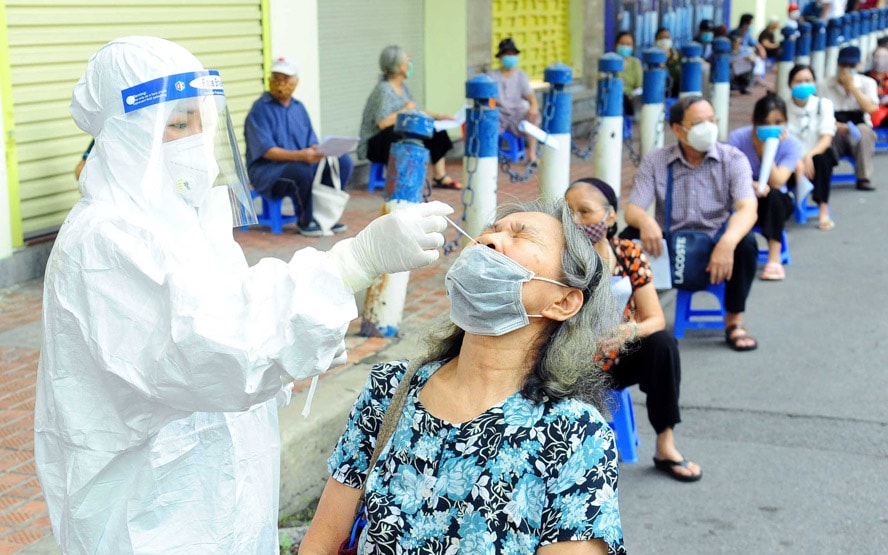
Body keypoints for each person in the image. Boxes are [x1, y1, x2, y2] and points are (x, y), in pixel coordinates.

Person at [35, 36, 454, 554]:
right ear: (127, 132)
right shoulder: (105, 240)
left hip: (214, 498)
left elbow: (243, 310)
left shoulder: (185, 221)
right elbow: (216, 343)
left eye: (199, 120)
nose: (195, 138)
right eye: (176, 123)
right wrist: (351, 264)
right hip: (149, 516)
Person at [300, 198, 627, 554]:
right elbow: (322, 540)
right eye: (490, 231)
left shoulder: (576, 435)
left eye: (520, 236)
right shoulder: (391, 388)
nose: (488, 241)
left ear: (562, 302)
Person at [566, 178, 701, 482]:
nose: (575, 220)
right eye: (568, 212)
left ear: (610, 216)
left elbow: (655, 318)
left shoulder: (627, 254)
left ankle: (665, 444)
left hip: (616, 357)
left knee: (663, 344)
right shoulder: (561, 261)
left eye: (584, 211)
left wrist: (628, 332)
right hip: (571, 363)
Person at [625, 96, 759, 352]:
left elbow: (747, 208)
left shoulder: (733, 159)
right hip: (668, 243)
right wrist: (645, 220)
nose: (708, 127)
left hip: (714, 241)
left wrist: (727, 242)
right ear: (678, 129)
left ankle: (734, 322)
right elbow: (633, 208)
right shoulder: (656, 160)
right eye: (699, 122)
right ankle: (636, 318)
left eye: (711, 120)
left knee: (746, 243)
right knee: (627, 237)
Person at [244, 57, 352, 237]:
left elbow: (311, 141)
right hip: (267, 172)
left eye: (286, 79)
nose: (281, 83)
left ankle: (325, 217)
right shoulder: (260, 109)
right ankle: (305, 221)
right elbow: (268, 151)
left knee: (343, 162)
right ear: (270, 80)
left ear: (296, 82)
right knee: (300, 171)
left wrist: (321, 150)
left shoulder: (298, 108)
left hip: (300, 162)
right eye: (276, 78)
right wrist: (301, 156)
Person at [358, 45, 461, 189]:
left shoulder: (402, 87)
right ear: (399, 66)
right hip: (376, 143)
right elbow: (382, 123)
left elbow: (416, 109)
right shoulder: (383, 90)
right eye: (408, 61)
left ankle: (439, 176)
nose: (410, 65)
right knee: (401, 133)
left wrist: (438, 117)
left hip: (392, 136)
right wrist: (405, 110)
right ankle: (401, 179)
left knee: (435, 130)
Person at [728, 94, 804, 281]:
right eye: (765, 122)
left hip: (774, 202)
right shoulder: (737, 138)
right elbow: (728, 174)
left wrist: (766, 149)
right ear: (754, 122)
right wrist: (748, 184)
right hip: (741, 198)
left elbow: (778, 181)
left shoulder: (792, 145)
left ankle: (774, 259)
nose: (771, 127)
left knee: (775, 196)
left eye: (778, 122)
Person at [817, 45, 879, 191]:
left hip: (858, 129)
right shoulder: (824, 85)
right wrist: (837, 126)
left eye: (851, 65)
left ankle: (864, 178)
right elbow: (819, 113)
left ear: (858, 65)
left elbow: (871, 109)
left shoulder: (867, 83)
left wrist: (854, 89)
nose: (847, 69)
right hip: (834, 128)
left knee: (864, 131)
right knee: (823, 134)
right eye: (844, 65)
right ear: (838, 65)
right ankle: (821, 176)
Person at [786, 64, 839, 230]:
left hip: (816, 154)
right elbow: (782, 140)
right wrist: (796, 159)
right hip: (791, 158)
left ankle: (823, 208)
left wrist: (808, 155)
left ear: (814, 83)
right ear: (790, 84)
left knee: (823, 159)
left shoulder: (823, 105)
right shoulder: (782, 107)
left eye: (808, 80)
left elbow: (826, 138)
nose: (803, 85)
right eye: (798, 81)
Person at [490, 37, 541, 164]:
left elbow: (530, 95)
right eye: (507, 54)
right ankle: (489, 155)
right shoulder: (492, 76)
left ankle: (532, 154)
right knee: (487, 123)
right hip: (499, 114)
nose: (510, 57)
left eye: (513, 54)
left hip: (517, 113)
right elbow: (489, 98)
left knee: (534, 118)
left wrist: (534, 106)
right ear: (501, 56)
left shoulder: (521, 75)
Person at [614, 31, 643, 117]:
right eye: (622, 43)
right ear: (616, 44)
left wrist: (632, 95)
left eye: (628, 44)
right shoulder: (611, 62)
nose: (625, 47)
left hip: (631, 99)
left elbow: (639, 85)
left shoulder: (635, 63)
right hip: (615, 97)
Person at [655, 27, 682, 98]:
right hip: (660, 90)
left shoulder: (677, 53)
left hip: (677, 88)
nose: (664, 40)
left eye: (667, 37)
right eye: (661, 38)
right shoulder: (653, 55)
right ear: (656, 40)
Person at [865, 46, 888, 127]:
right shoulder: (865, 77)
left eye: (884, 57)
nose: (880, 60)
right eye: (877, 57)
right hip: (870, 111)